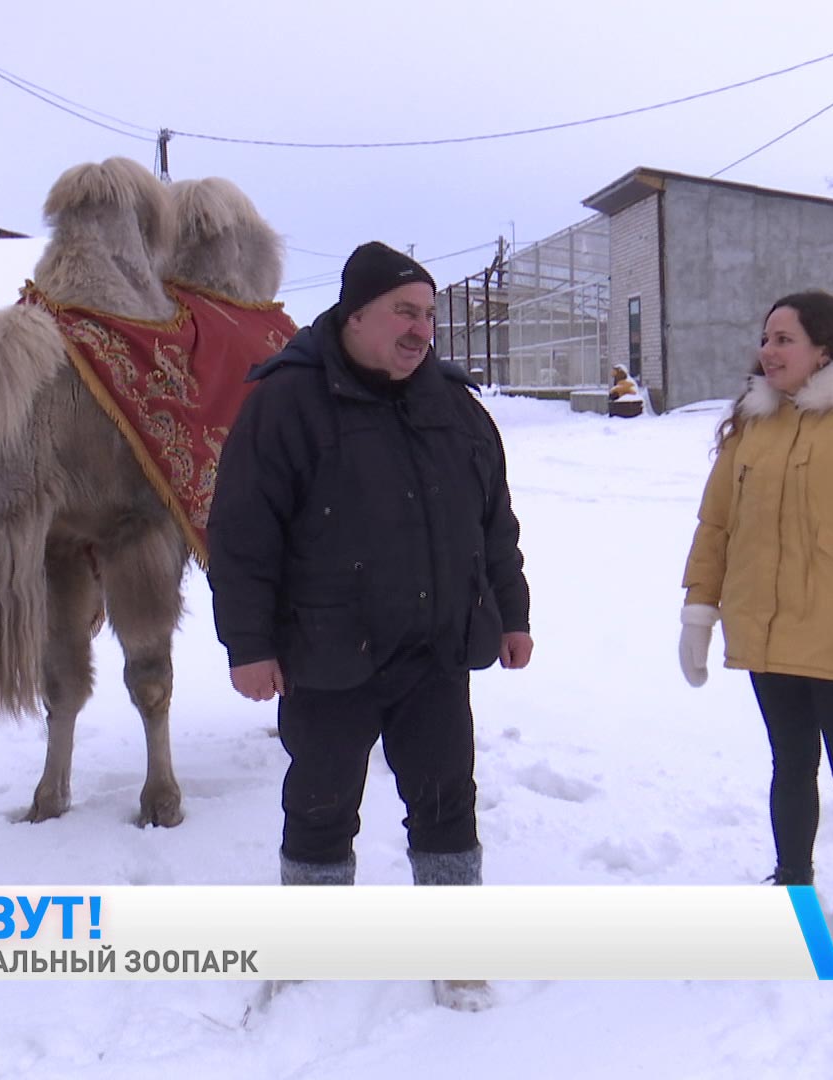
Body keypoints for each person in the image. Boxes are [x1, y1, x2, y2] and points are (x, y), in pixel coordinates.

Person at [207, 242, 533, 1010]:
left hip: (436, 649)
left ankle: (455, 951)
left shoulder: (454, 406)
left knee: (448, 798)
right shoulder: (286, 402)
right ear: (355, 317)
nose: (422, 330)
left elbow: (495, 525)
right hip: (328, 653)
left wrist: (511, 612)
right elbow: (242, 534)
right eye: (403, 313)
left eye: (427, 314)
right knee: (320, 803)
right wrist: (249, 646)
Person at [677, 291, 833, 988]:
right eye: (766, 338)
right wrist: (700, 610)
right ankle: (792, 890)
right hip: (766, 632)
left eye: (784, 338)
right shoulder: (752, 428)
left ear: (825, 347)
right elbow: (717, 528)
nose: (769, 350)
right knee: (790, 766)